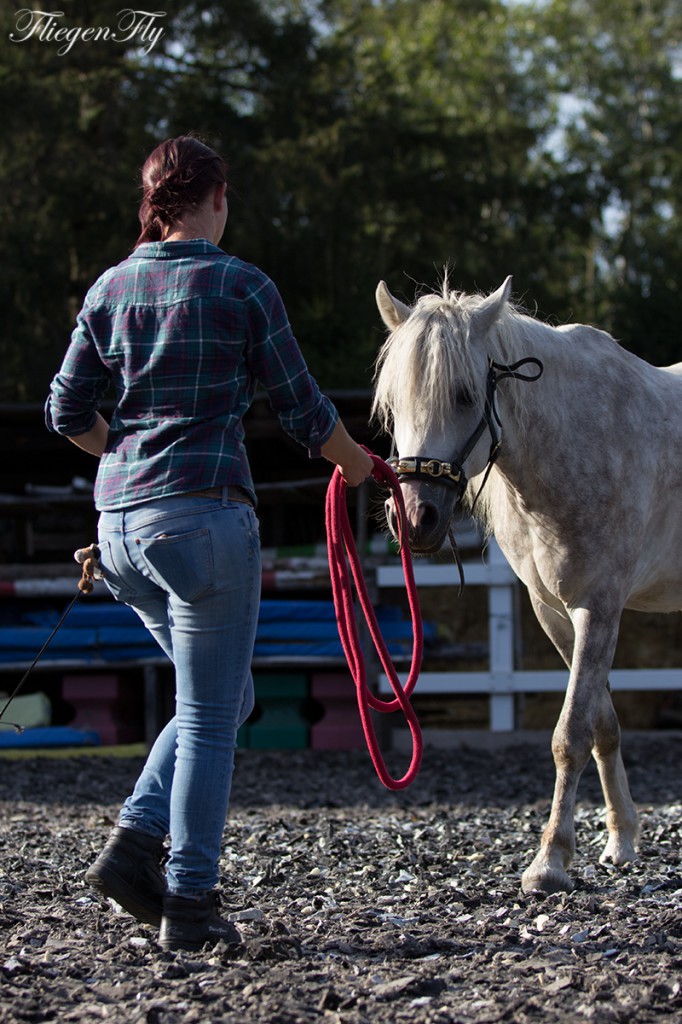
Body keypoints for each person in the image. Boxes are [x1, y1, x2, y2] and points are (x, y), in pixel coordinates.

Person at [45, 135, 374, 953]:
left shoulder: (110, 286)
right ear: (216, 198)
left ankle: (130, 850)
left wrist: (123, 455)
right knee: (209, 713)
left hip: (118, 532)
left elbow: (65, 409)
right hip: (202, 525)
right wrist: (364, 467)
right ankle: (189, 905)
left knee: (228, 702)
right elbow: (303, 410)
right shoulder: (241, 283)